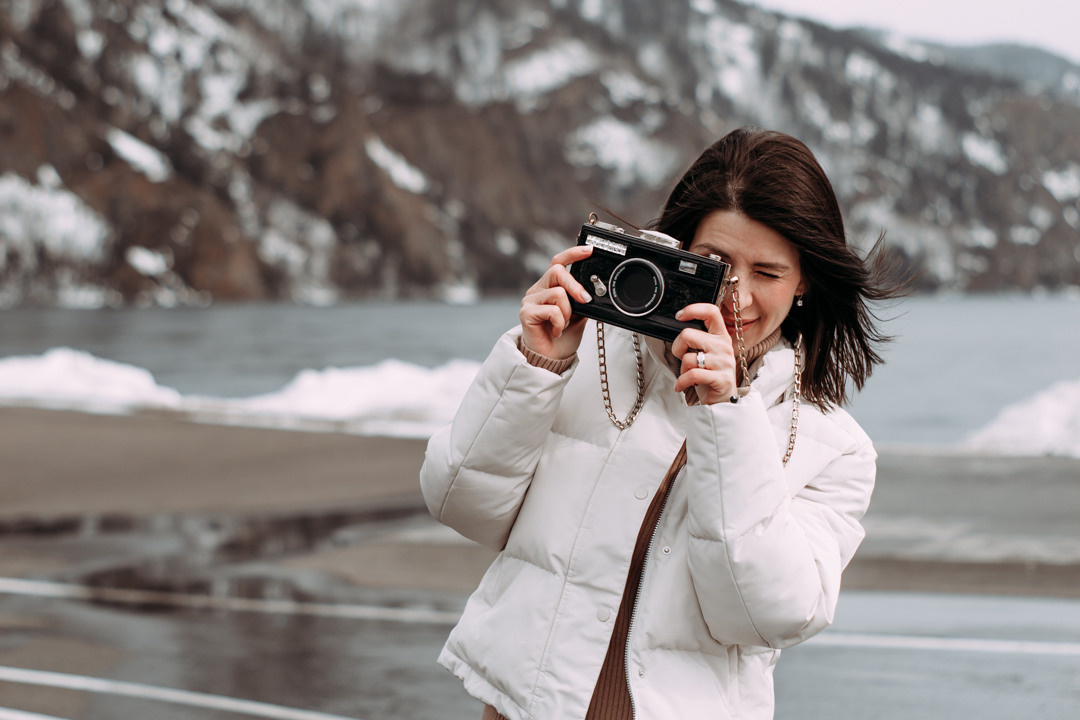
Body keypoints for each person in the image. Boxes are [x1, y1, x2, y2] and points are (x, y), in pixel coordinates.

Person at [420, 127, 903, 720]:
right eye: (718, 264)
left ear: (804, 281)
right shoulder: (591, 350)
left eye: (768, 273)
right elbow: (460, 504)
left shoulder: (833, 448)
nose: (737, 298)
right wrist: (536, 364)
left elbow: (764, 614)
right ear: (682, 251)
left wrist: (725, 414)